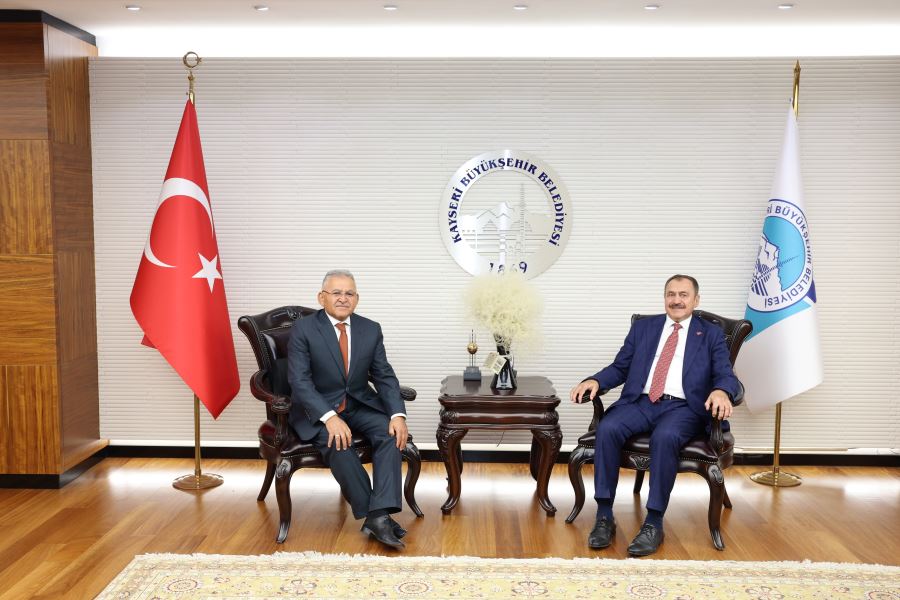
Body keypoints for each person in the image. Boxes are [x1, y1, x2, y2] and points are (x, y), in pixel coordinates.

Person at [569, 274, 739, 557]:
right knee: (608, 428)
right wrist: (595, 380)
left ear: (696, 300)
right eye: (671, 294)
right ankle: (604, 515)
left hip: (683, 407)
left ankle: (654, 522)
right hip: (641, 401)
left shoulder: (710, 334)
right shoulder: (644, 328)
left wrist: (721, 391)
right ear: (664, 298)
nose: (676, 300)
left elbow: (725, 373)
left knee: (666, 436)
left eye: (684, 295)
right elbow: (620, 367)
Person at [288, 269, 410, 549]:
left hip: (358, 404)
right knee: (339, 442)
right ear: (322, 297)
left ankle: (378, 514)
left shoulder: (370, 329)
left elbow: (383, 375)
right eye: (336, 293)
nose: (343, 298)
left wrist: (397, 414)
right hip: (317, 410)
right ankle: (378, 517)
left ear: (357, 298)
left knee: (391, 434)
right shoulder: (304, 329)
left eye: (349, 293)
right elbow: (299, 381)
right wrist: (329, 417)